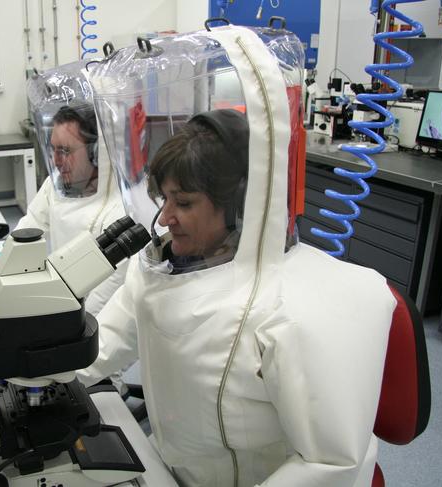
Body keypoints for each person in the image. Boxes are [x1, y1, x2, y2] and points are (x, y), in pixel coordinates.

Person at [78, 109, 395, 486]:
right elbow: (107, 343)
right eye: (164, 199)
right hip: (174, 466)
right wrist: (34, 373)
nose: (164, 219)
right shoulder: (159, 271)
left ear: (237, 206)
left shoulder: (291, 309)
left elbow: (330, 461)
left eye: (183, 203)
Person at [0, 99, 126, 316]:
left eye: (65, 151)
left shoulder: (120, 208)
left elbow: (106, 297)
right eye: (53, 150)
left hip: (91, 323)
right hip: (54, 297)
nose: (56, 161)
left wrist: (67, 324)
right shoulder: (57, 186)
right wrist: (3, 261)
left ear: (96, 153)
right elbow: (29, 229)